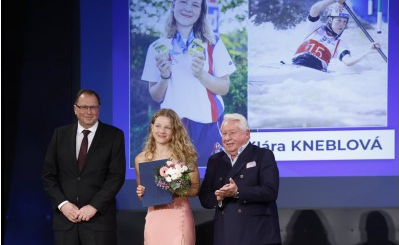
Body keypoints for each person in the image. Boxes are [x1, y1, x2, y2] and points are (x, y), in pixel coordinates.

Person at [141, 0, 237, 166]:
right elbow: (156, 95)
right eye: (183, 2)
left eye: (195, 5)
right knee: (176, 186)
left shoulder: (212, 43)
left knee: (212, 183)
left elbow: (224, 87)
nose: (188, 8)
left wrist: (201, 74)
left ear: (201, 12)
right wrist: (164, 76)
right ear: (174, 4)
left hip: (208, 124)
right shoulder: (156, 47)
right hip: (173, 127)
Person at [42, 89, 126, 245]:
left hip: (99, 223)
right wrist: (63, 204)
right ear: (75, 109)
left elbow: (116, 176)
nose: (89, 111)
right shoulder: (60, 134)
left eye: (93, 107)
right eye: (84, 107)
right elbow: (49, 175)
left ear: (99, 109)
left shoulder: (114, 136)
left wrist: (94, 206)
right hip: (66, 223)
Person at [199, 113, 282, 245]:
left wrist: (238, 192)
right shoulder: (215, 161)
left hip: (258, 234)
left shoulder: (262, 155)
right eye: (224, 133)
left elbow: (270, 191)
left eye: (232, 133)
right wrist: (219, 197)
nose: (227, 138)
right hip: (226, 234)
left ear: (247, 134)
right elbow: (205, 197)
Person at [135, 108, 200, 245]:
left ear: (175, 130)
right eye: (158, 126)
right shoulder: (141, 159)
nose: (161, 131)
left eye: (167, 127)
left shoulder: (185, 156)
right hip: (154, 219)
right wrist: (140, 192)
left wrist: (178, 190)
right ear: (152, 128)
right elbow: (143, 194)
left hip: (178, 216)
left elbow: (195, 188)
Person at [292, 0, 381, 72]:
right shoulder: (316, 27)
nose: (342, 24)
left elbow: (348, 61)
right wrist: (333, 0)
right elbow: (314, 9)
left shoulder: (340, 44)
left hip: (316, 71)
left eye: (344, 22)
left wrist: (368, 51)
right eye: (339, 20)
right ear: (330, 20)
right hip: (296, 64)